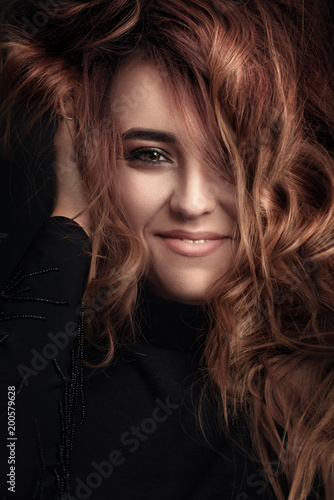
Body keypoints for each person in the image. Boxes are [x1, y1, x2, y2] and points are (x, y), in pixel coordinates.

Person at [0, 0, 333, 499]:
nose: (192, 203)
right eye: (149, 155)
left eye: (233, 158)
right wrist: (69, 225)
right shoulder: (63, 376)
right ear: (91, 160)